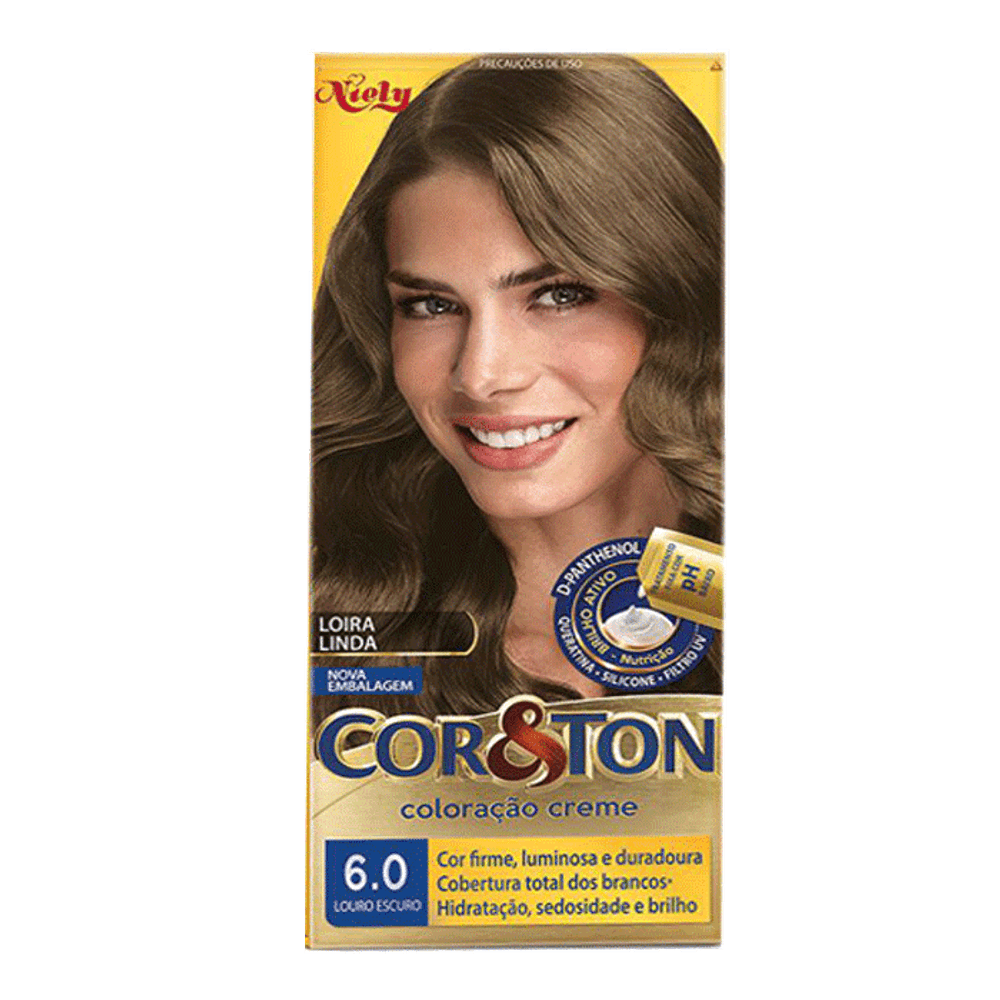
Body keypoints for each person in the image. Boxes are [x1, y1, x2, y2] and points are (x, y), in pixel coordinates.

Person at [312, 55, 723, 721]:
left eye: (559, 295)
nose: (481, 375)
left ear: (682, 302)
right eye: (430, 305)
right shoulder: (340, 624)